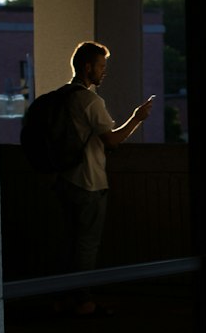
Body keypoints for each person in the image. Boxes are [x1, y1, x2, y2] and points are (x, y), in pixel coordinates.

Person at [56, 41, 154, 316]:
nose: (103, 72)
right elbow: (111, 140)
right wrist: (137, 118)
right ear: (88, 67)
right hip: (89, 181)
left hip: (64, 179)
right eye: (100, 66)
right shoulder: (89, 100)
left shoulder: (62, 96)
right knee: (86, 245)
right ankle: (84, 300)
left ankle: (64, 297)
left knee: (68, 242)